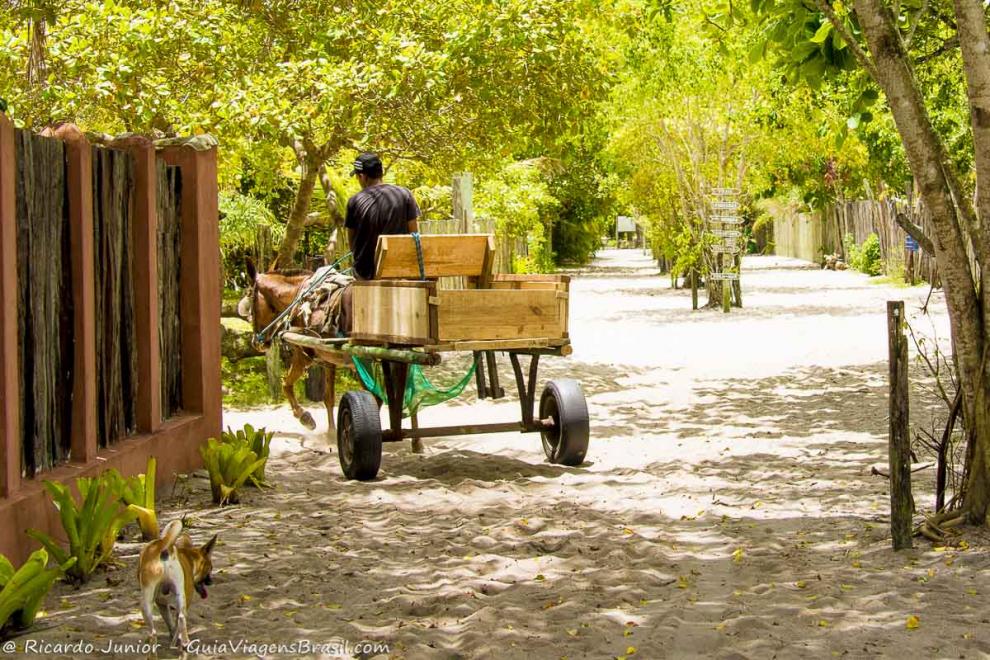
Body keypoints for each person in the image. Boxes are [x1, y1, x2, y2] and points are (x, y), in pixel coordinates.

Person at [344, 153, 421, 280]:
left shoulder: (354, 201)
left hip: (366, 274)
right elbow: (414, 235)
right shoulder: (405, 194)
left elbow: (352, 245)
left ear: (363, 176)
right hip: (400, 270)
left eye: (357, 177)